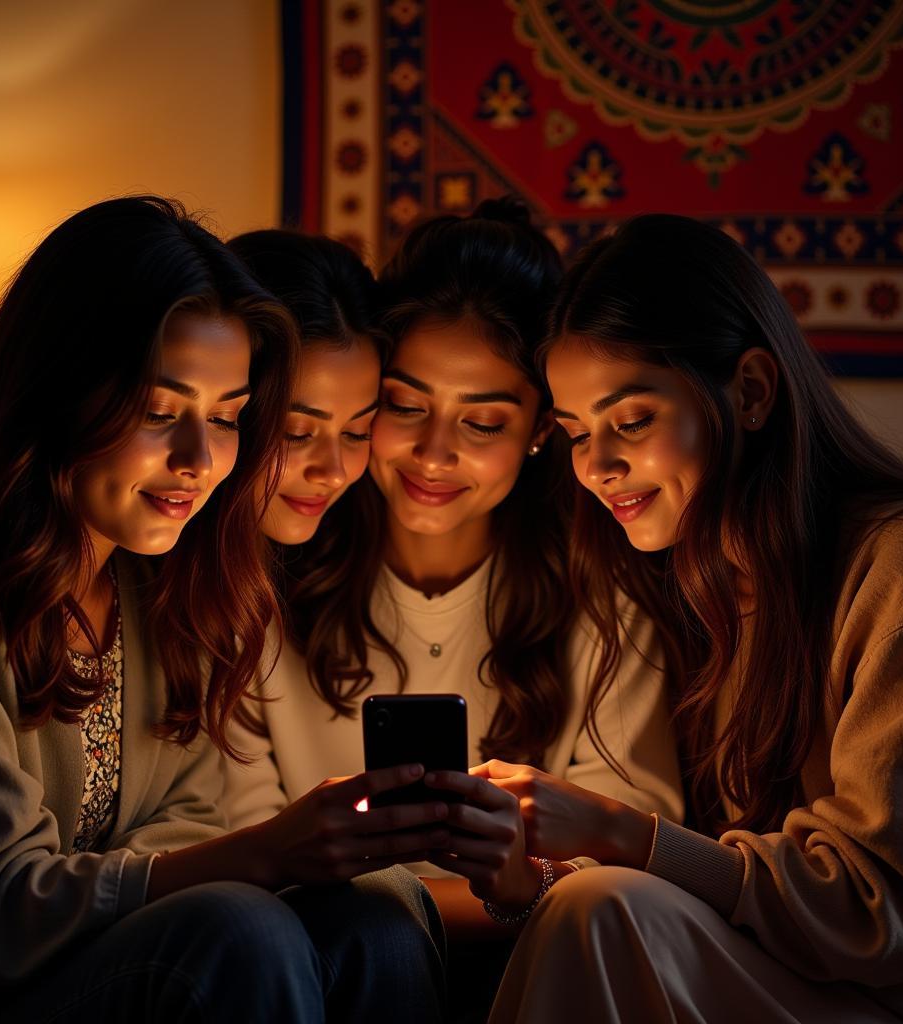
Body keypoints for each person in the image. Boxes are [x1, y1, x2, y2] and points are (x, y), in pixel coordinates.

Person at [0, 196, 444, 1023]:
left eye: (227, 418)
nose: (200, 460)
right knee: (239, 929)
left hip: (92, 960)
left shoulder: (165, 581)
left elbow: (185, 823)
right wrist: (265, 853)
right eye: (162, 414)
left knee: (375, 915)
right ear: (62, 388)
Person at [222, 200, 683, 1018]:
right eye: (404, 408)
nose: (436, 453)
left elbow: (634, 866)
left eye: (482, 421)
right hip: (321, 968)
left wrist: (518, 883)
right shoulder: (263, 580)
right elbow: (242, 849)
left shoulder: (606, 597)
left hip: (540, 971)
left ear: (543, 428)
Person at [485, 213, 903, 1022]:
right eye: (576, 433)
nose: (596, 465)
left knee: (606, 910)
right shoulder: (697, 586)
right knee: (590, 904)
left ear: (752, 391)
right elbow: (719, 888)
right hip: (787, 974)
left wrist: (621, 832)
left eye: (631, 421)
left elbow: (886, 913)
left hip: (893, 997)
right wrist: (534, 877)